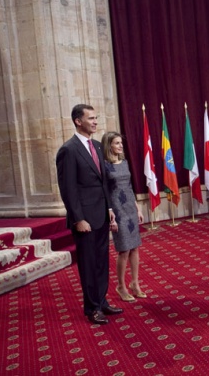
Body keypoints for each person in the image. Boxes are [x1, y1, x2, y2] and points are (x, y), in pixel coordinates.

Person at [56, 104, 123, 325]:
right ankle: (92, 308)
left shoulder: (96, 145)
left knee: (102, 262)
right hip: (84, 218)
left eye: (96, 118)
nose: (95, 122)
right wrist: (78, 219)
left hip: (102, 215)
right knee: (88, 263)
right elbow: (68, 189)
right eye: (91, 118)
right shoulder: (69, 149)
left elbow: (102, 182)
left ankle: (102, 301)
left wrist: (110, 210)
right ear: (78, 121)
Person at [102, 131, 146, 302]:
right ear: (109, 145)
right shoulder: (105, 166)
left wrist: (138, 209)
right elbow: (104, 191)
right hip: (117, 210)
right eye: (117, 143)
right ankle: (121, 285)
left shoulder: (125, 162)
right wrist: (110, 212)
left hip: (130, 207)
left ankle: (135, 283)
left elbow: (129, 187)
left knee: (135, 247)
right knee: (124, 249)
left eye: (121, 143)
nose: (120, 146)